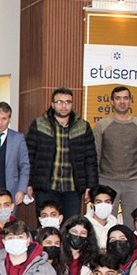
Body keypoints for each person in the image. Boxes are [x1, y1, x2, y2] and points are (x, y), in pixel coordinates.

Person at [26, 87, 98, 219]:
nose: (64, 106)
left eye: (68, 102)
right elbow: (29, 156)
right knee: (47, 225)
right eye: (59, 102)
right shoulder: (39, 124)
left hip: (72, 188)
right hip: (46, 186)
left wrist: (91, 186)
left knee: (71, 225)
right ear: (52, 104)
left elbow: (90, 158)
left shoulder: (82, 126)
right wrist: (28, 183)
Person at [93, 86, 137, 227]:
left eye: (125, 98)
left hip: (134, 182)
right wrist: (96, 180)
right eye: (118, 98)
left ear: (130, 101)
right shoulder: (102, 125)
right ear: (112, 102)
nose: (122, 102)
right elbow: (96, 153)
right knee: (106, 222)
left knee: (132, 224)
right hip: (107, 181)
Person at [85, 185, 119, 250]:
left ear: (112, 205)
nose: (103, 205)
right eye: (99, 202)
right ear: (92, 205)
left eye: (107, 202)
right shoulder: (84, 225)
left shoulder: (116, 227)